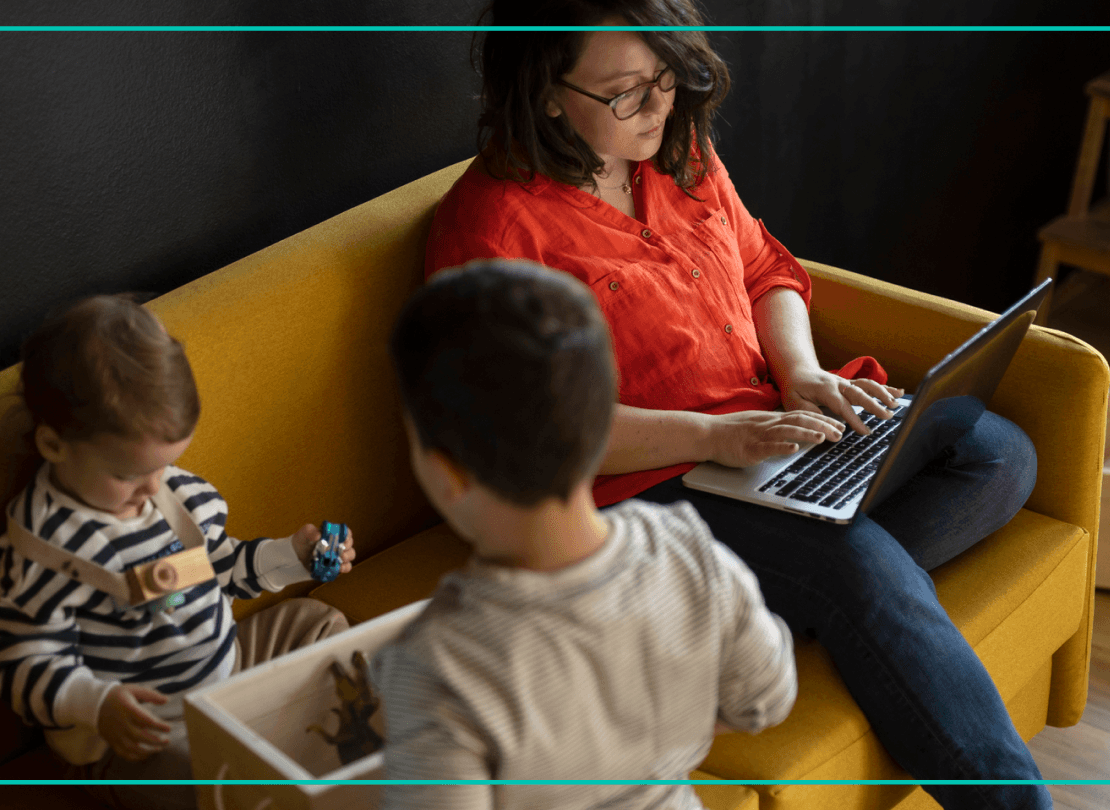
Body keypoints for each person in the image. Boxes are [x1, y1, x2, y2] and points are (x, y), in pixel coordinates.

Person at [423, 2, 1049, 808]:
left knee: (995, 454)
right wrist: (714, 437)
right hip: (644, 486)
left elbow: (763, 269)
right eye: (625, 93)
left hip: (763, 432)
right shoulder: (493, 231)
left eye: (664, 79)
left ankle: (776, 608)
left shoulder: (679, 152)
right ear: (545, 92)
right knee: (856, 565)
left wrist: (800, 372)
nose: (658, 107)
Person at [374, 259, 797, 810]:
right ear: (602, 423)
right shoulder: (690, 550)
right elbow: (768, 696)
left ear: (447, 471)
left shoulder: (440, 665)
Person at [0, 294, 356, 810]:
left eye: (167, 464)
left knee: (318, 623)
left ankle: (342, 745)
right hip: (142, 734)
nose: (152, 486)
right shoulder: (45, 548)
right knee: (214, 786)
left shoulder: (170, 495)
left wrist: (292, 556)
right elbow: (21, 660)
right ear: (53, 445)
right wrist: (99, 703)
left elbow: (214, 567)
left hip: (228, 675)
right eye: (129, 474)